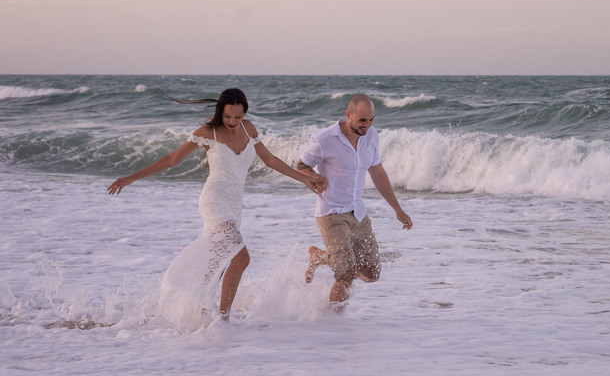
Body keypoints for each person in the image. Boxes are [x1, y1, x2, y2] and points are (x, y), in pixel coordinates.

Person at [107, 88, 327, 327]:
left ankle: (201, 311)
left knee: (221, 261)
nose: (233, 122)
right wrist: (130, 178)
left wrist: (303, 178)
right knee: (242, 258)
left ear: (245, 114)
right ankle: (222, 320)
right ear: (220, 112)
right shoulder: (207, 133)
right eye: (228, 116)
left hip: (235, 205)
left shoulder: (249, 129)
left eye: (238, 116)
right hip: (213, 200)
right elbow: (172, 158)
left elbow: (271, 160)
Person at [296, 93, 413, 307]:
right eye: (362, 120)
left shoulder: (371, 136)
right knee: (346, 273)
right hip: (331, 213)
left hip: (358, 213)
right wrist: (314, 177)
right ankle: (334, 328)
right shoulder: (325, 139)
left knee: (372, 273)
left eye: (371, 120)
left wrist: (397, 209)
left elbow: (377, 172)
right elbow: (301, 166)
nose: (366, 125)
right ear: (347, 114)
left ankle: (320, 256)